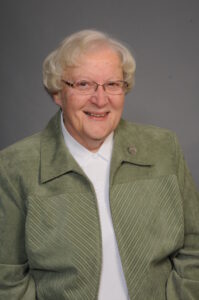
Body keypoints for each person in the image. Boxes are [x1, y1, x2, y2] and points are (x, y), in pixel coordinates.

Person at [0, 29, 199, 300]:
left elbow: (194, 248)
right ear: (58, 92)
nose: (100, 99)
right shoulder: (14, 167)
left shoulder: (164, 149)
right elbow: (7, 276)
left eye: (113, 84)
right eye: (84, 84)